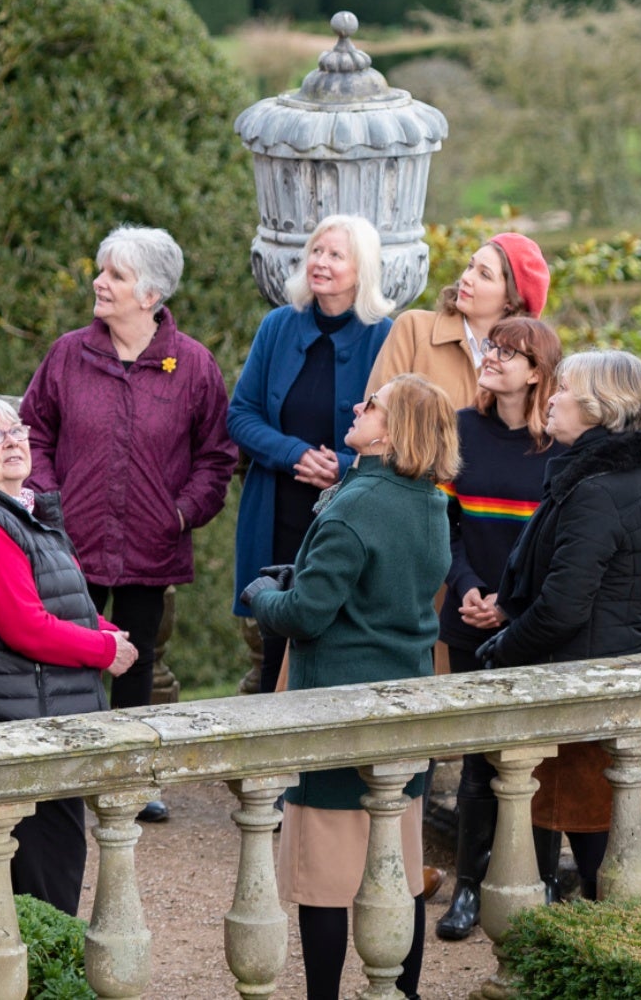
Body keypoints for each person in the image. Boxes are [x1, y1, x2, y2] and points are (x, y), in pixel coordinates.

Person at [244, 375, 456, 1000]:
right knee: (398, 871)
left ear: (391, 431)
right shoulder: (431, 503)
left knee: (324, 885)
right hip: (405, 705)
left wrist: (264, 597)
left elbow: (307, 615)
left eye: (372, 405)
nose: (357, 408)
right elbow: (380, 590)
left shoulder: (355, 502)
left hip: (337, 706)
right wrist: (300, 578)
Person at [21, 225, 238, 821]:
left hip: (151, 540)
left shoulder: (192, 365)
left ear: (151, 294)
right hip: (70, 540)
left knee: (137, 659)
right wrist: (46, 498)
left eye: (115, 275)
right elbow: (32, 430)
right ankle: (68, 774)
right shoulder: (69, 352)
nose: (100, 282)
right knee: (68, 654)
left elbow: (217, 456)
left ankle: (131, 779)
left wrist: (182, 511)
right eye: (103, 270)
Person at [0, 395, 139, 915]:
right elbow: (24, 627)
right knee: (42, 887)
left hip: (39, 719)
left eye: (17, 430)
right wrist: (102, 650)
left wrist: (109, 632)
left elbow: (58, 606)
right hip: (18, 727)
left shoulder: (19, 513)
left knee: (10, 884)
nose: (13, 441)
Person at [475, 349, 641, 901]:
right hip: (612, 672)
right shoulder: (635, 473)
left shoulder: (596, 488)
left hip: (585, 688)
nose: (552, 398)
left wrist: (502, 646)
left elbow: (564, 607)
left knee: (598, 865)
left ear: (597, 408)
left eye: (563, 390)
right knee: (602, 858)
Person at [431, 314, 568, 941]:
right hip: (467, 619)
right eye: (492, 347)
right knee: (480, 761)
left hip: (532, 627)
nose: (492, 357)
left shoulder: (560, 448)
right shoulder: (460, 430)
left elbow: (562, 549)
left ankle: (536, 881)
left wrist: (510, 608)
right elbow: (446, 526)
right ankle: (468, 888)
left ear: (537, 372)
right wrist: (468, 591)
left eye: (508, 353)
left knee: (533, 759)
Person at [227, 213, 397, 694]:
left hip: (350, 514)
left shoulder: (385, 336)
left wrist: (341, 468)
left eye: (335, 255)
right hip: (278, 507)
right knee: (274, 635)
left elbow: (398, 430)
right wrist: (295, 454)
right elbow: (241, 414)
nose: (320, 262)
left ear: (361, 270)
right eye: (316, 252)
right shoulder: (278, 326)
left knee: (338, 629)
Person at [366, 231, 552, 411]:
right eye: (470, 266)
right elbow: (375, 416)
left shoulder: (522, 365)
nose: (466, 278)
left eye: (484, 275)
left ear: (511, 301)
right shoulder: (413, 327)